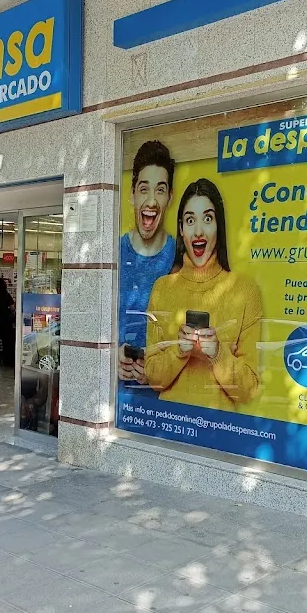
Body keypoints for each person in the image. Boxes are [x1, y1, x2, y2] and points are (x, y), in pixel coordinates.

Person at [145, 178, 262, 412]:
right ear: (181, 229)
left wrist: (219, 355)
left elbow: (249, 390)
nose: (198, 231)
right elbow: (153, 378)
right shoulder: (162, 288)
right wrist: (179, 351)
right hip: (170, 424)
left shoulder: (245, 290)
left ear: (219, 226)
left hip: (219, 428)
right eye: (190, 220)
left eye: (207, 219)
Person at [118, 140, 176, 395]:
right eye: (144, 189)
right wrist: (111, 355)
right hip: (115, 399)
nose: (151, 201)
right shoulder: (111, 255)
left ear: (170, 197)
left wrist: (158, 369)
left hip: (162, 403)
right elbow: (91, 318)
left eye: (160, 190)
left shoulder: (181, 256)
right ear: (132, 195)